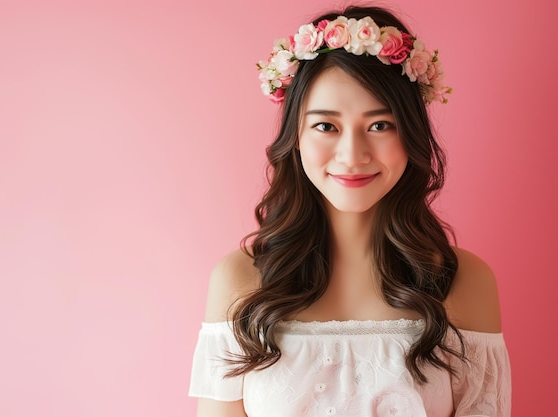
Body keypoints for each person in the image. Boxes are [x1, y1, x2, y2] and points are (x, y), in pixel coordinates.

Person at [189, 4, 511, 417]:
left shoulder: (466, 282)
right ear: (297, 137)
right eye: (327, 126)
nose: (353, 155)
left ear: (410, 134)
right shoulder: (238, 281)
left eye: (380, 125)